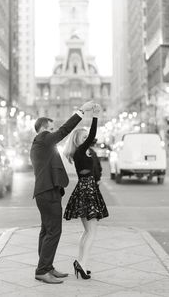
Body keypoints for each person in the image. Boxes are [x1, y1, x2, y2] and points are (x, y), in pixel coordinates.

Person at [30, 100, 95, 284]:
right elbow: (64, 131)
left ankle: (46, 266)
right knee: (53, 232)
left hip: (47, 192)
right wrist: (82, 111)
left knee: (46, 231)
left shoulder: (41, 144)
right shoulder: (43, 139)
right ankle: (42, 270)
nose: (54, 131)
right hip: (47, 192)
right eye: (51, 128)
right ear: (43, 129)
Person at [63, 104, 109, 279]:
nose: (87, 139)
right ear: (78, 140)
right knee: (92, 232)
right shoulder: (81, 150)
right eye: (83, 137)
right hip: (88, 190)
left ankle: (81, 262)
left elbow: (92, 138)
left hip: (84, 190)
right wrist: (95, 116)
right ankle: (82, 263)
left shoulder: (79, 153)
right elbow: (93, 135)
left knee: (87, 231)